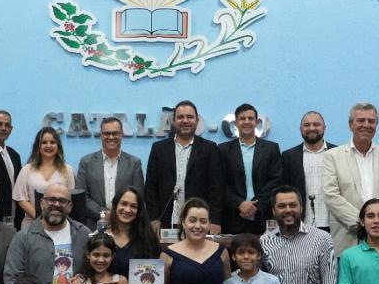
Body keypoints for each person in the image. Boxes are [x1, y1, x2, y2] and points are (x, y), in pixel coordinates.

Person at [321, 102, 379, 257]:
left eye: (371, 121)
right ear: (350, 125)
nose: (366, 125)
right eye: (360, 120)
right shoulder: (332, 156)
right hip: (347, 240)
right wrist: (364, 222)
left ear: (376, 125)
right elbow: (331, 195)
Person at [4, 182, 90, 284]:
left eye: (62, 201)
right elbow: (12, 277)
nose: (56, 204)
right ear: (42, 203)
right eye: (51, 199)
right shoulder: (23, 237)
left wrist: (84, 277)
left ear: (70, 206)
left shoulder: (84, 234)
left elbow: (96, 270)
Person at [145, 100, 224, 234]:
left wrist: (215, 220)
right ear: (173, 121)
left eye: (190, 117)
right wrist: (154, 218)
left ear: (197, 120)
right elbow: (150, 187)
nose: (185, 121)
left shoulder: (210, 148)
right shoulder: (159, 149)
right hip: (165, 221)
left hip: (199, 222)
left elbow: (216, 188)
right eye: (180, 117)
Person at [218, 103, 283, 235]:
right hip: (234, 216)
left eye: (250, 118)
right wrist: (239, 203)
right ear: (236, 123)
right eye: (242, 119)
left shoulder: (271, 148)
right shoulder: (223, 150)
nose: (246, 122)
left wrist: (255, 206)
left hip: (264, 215)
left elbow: (276, 181)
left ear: (256, 122)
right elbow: (219, 183)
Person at [75, 117, 145, 231]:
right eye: (107, 133)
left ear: (122, 135)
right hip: (94, 226)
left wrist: (118, 213)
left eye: (115, 133)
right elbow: (82, 196)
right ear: (101, 135)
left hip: (126, 227)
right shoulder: (86, 162)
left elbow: (138, 197)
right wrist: (103, 214)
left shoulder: (134, 163)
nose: (111, 137)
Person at [280, 111, 337, 231]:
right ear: (300, 129)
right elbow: (284, 191)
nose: (311, 128)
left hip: (333, 224)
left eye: (316, 124)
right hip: (300, 224)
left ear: (324, 128)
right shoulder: (288, 156)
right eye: (306, 125)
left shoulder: (338, 153)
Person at [12, 127, 75, 229]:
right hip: (31, 225)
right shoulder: (27, 169)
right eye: (44, 142)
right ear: (38, 146)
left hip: (59, 224)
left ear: (58, 146)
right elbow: (21, 199)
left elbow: (70, 198)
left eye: (52, 142)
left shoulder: (68, 170)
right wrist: (41, 218)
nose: (48, 145)